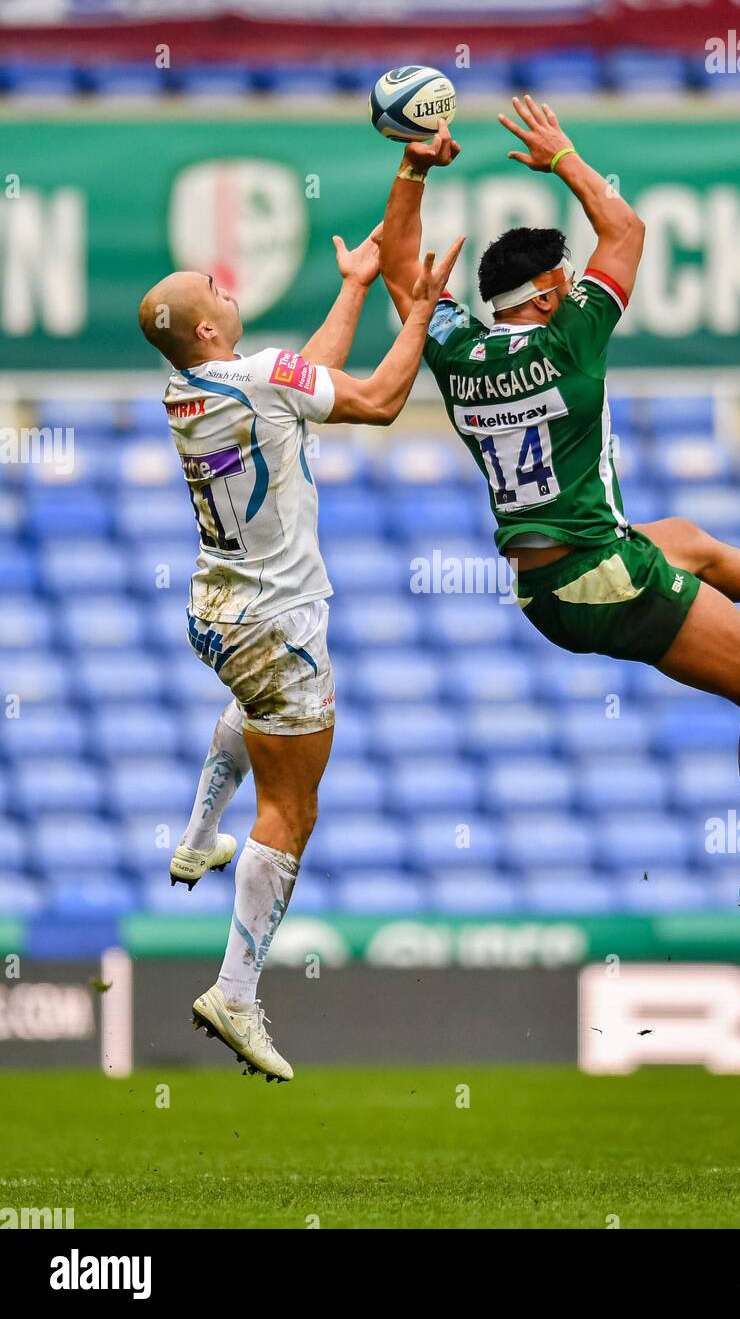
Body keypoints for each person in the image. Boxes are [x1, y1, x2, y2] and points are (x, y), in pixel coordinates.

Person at [379, 98, 740, 922]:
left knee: (682, 540)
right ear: (544, 295)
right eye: (563, 280)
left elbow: (400, 272)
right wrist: (565, 157)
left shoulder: (454, 348)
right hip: (601, 572)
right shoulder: (569, 337)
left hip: (544, 594)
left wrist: (414, 168)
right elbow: (628, 232)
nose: (574, 285)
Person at [138, 225, 464, 1081]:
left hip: (215, 609)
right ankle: (235, 993)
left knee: (256, 717)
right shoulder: (257, 376)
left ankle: (197, 837)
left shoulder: (190, 390)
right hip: (279, 627)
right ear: (208, 328)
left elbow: (301, 384)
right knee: (293, 809)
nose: (226, 282)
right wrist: (420, 311)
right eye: (214, 283)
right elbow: (381, 401)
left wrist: (356, 286)